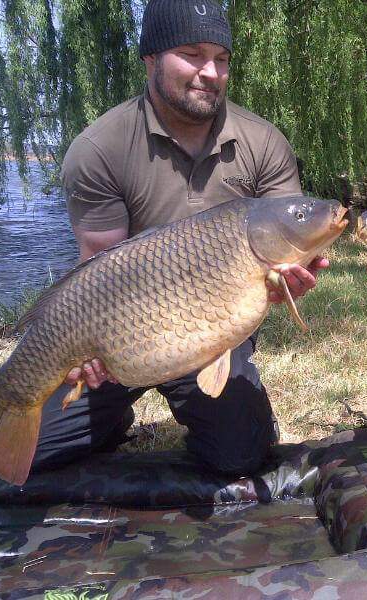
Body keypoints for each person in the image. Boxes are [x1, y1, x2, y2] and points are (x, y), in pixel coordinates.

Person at [31, 0, 324, 476]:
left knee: (241, 456)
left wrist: (291, 280)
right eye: (192, 54)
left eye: (221, 58)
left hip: (214, 329)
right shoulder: (98, 148)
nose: (210, 71)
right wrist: (84, 355)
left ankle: (240, 414)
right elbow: (96, 273)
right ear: (151, 58)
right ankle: (110, 414)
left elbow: (289, 242)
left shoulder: (263, 142)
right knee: (37, 455)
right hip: (120, 331)